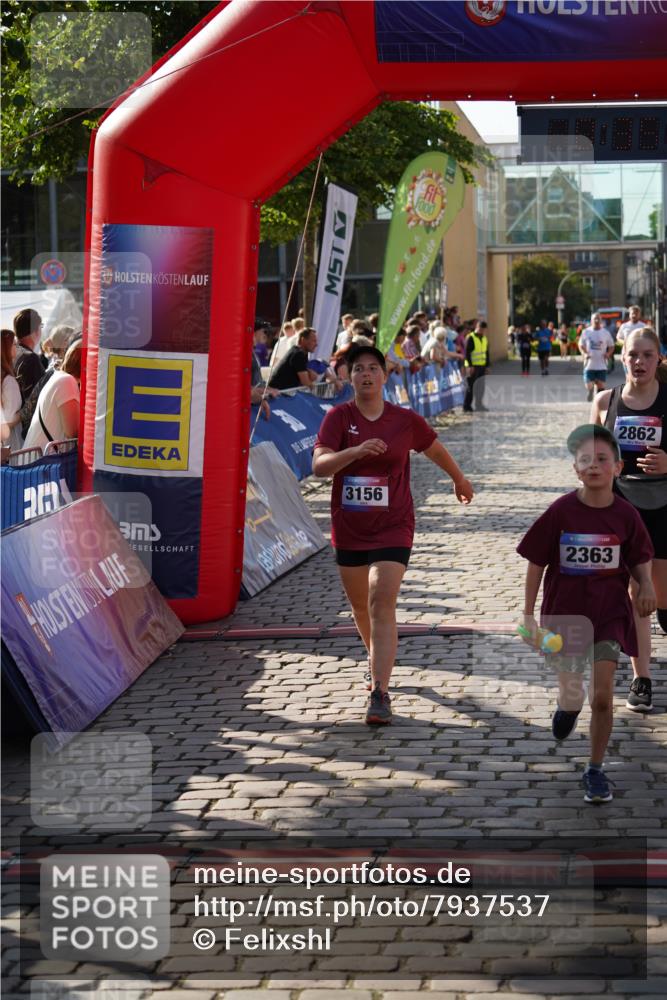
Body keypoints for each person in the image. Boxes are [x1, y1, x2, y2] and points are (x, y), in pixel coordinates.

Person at [312, 343, 474, 725]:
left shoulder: (404, 419)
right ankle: (376, 659)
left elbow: (434, 449)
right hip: (349, 527)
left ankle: (379, 692)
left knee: (380, 602)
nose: (366, 374)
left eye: (373, 368)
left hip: (394, 525)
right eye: (358, 369)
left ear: (385, 376)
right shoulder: (338, 417)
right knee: (360, 608)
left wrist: (459, 478)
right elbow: (319, 466)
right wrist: (354, 452)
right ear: (348, 377)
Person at [517, 424, 655, 804]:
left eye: (602, 459)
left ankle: (595, 769)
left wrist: (646, 585)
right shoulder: (560, 511)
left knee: (604, 697)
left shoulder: (626, 515)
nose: (593, 465)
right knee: (573, 694)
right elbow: (535, 562)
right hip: (565, 618)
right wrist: (527, 615)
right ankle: (567, 707)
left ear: (618, 467)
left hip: (609, 615)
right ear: (575, 469)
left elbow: (640, 558)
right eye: (585, 460)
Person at [592, 326, 667, 712]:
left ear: (658, 359)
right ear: (621, 358)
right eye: (633, 355)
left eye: (647, 355)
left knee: (661, 598)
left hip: (665, 506)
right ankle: (642, 679)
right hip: (623, 509)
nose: (639, 361)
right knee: (637, 594)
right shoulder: (605, 401)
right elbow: (591, 456)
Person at [24, 338, 82, 450]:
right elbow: (73, 432)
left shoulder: (59, 377)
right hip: (44, 458)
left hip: (40, 457)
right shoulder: (67, 381)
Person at [579, 313, 615, 402]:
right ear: (591, 321)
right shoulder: (586, 332)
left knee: (601, 386)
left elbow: (611, 346)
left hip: (601, 364)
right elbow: (581, 344)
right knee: (589, 385)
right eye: (594, 319)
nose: (596, 320)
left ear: (601, 320)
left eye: (598, 319)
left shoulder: (605, 333)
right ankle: (591, 391)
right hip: (589, 364)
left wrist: (608, 354)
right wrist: (584, 353)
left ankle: (598, 402)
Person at [13, 308, 45, 402]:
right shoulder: (31, 359)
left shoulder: (12, 352)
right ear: (36, 331)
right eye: (41, 326)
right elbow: (36, 398)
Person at [1, 329, 23, 451]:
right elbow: (9, 419)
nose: (17, 347)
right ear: (6, 348)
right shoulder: (8, 381)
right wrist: (24, 412)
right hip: (10, 444)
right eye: (14, 344)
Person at [463, 320, 490, 411]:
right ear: (477, 328)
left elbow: (486, 353)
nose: (483, 332)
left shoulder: (484, 338)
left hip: (481, 366)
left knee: (480, 387)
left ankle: (479, 405)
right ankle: (467, 406)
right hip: (472, 367)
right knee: (471, 387)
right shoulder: (470, 337)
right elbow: (467, 353)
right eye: (481, 329)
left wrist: (487, 366)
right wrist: (470, 366)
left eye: (484, 330)